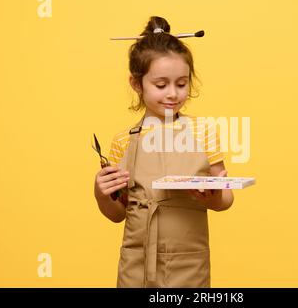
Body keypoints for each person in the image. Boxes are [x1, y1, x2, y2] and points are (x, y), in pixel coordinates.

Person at [93, 16, 234, 288]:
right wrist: (101, 194)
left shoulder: (203, 132)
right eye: (161, 85)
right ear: (137, 84)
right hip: (138, 263)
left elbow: (225, 199)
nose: (173, 94)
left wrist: (213, 197)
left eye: (181, 84)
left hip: (189, 264)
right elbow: (118, 213)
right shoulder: (124, 140)